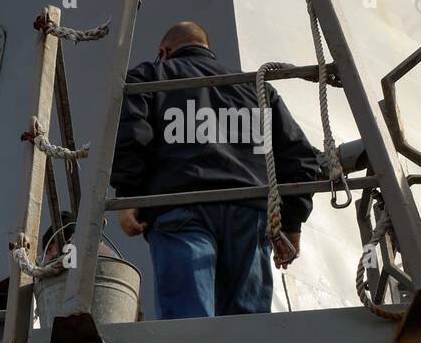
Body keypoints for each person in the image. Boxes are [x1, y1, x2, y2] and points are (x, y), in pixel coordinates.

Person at [112, 21, 322, 319]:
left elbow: (131, 136)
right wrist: (292, 222)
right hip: (249, 217)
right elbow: (299, 156)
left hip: (180, 208)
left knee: (189, 324)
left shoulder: (150, 76)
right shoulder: (256, 88)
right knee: (246, 327)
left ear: (164, 51)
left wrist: (129, 196)